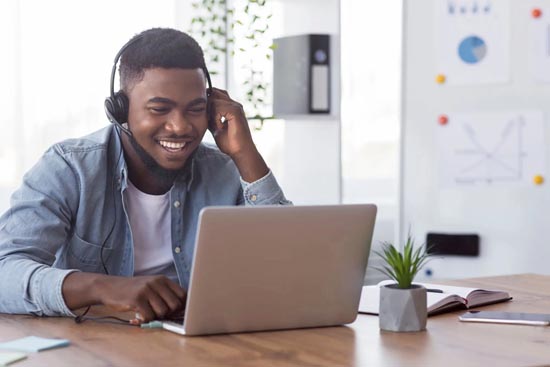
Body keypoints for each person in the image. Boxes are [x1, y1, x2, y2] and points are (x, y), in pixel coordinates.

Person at [0, 28, 291, 323]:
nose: (179, 126)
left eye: (195, 109)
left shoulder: (225, 170)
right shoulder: (69, 168)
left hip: (198, 342)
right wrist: (101, 287)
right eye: (159, 109)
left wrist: (245, 153)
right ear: (120, 110)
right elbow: (4, 271)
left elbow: (289, 267)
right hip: (98, 344)